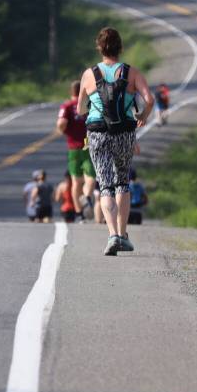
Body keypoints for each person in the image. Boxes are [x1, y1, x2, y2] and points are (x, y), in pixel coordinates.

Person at [77, 26, 154, 255]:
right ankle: (122, 234)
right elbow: (149, 100)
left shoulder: (89, 74)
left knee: (105, 184)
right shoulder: (132, 73)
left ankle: (111, 236)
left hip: (98, 133)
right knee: (123, 182)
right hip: (124, 133)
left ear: (99, 47)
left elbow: (80, 108)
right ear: (120, 47)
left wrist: (91, 108)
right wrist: (142, 116)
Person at [56, 80, 96, 216]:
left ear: (71, 92)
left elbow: (61, 122)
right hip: (88, 144)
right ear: (82, 92)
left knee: (76, 181)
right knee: (91, 175)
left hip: (73, 146)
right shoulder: (89, 105)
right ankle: (88, 196)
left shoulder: (67, 106)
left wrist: (63, 131)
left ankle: (79, 212)